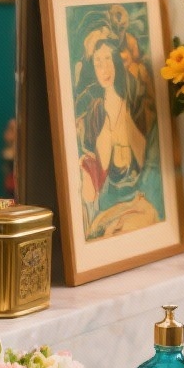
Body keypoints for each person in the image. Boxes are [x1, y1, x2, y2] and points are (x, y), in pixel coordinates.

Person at [75, 37, 164, 237]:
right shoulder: (94, 112)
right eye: (98, 62)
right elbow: (94, 174)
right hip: (108, 206)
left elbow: (148, 163)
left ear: (116, 61)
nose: (104, 68)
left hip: (138, 200)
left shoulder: (134, 106)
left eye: (108, 59)